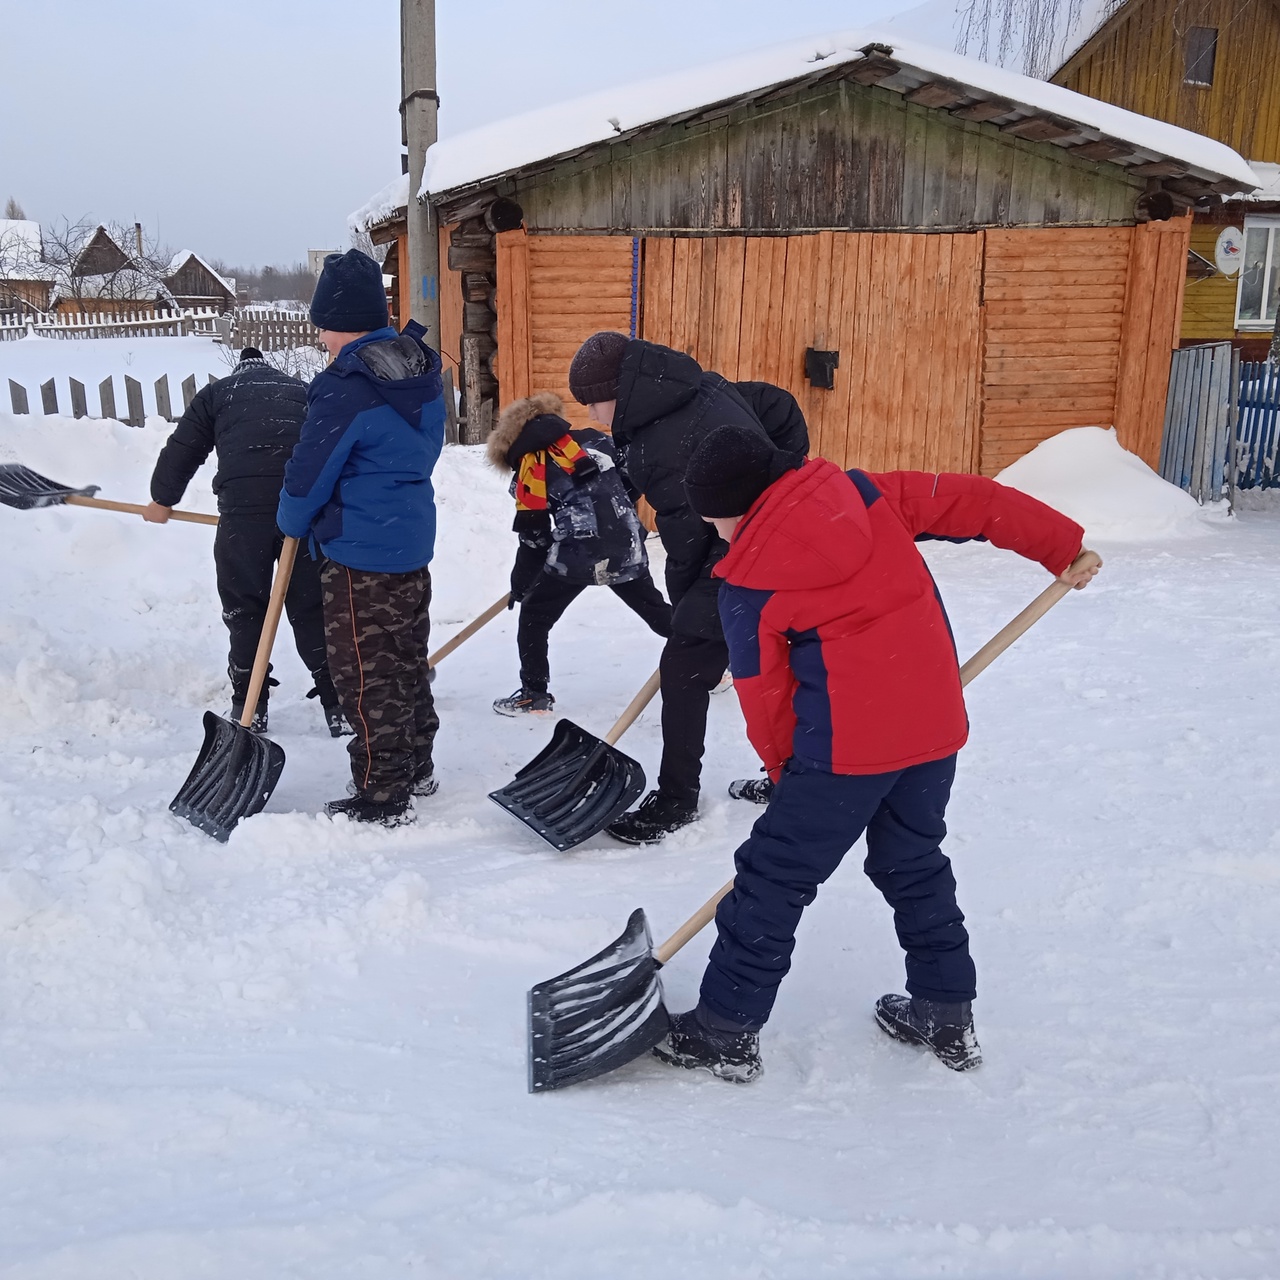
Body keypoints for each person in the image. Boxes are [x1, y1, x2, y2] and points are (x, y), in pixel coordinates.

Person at [652, 424, 1100, 1082]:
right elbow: (971, 500)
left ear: (741, 506)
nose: (715, 532)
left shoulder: (748, 585)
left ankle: (724, 1028)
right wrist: (1063, 545)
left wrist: (788, 781)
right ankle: (945, 1009)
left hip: (843, 751)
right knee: (912, 861)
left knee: (772, 880)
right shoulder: (862, 495)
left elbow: (765, 697)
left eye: (715, 519)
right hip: (933, 726)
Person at [566, 332, 809, 844]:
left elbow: (689, 543)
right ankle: (794, 776)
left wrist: (687, 613)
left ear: (620, 391)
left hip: (738, 555)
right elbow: (776, 404)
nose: (593, 417)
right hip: (779, 541)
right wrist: (783, 475)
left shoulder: (667, 446)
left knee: (684, 670)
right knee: (776, 667)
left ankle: (677, 799)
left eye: (595, 403)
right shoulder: (694, 387)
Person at [276, 249, 445, 827]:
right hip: (408, 538)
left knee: (366, 673)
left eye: (321, 323)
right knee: (404, 656)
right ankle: (416, 764)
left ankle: (382, 791)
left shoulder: (347, 383)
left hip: (359, 553)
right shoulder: (414, 365)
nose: (319, 336)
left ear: (335, 319)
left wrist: (291, 521)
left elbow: (310, 469)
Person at [144, 347, 346, 735]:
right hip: (301, 518)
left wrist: (161, 499)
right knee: (312, 609)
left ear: (239, 369)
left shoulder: (218, 395)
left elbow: (183, 450)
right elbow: (327, 450)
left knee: (245, 611)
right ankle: (336, 703)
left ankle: (248, 706)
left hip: (242, 520)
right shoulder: (301, 392)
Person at [486, 392, 672, 713]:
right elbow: (631, 476)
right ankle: (712, 661)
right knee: (655, 610)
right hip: (625, 543)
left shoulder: (531, 469)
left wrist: (522, 585)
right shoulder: (593, 440)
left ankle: (534, 694)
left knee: (535, 616)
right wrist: (612, 513)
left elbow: (535, 538)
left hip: (577, 551)